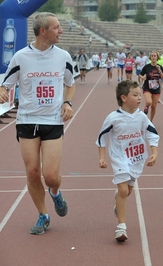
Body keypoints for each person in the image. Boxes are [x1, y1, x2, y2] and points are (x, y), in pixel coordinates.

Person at [0, 12, 75, 235]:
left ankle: (55, 193)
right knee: (33, 172)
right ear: (43, 31)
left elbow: (70, 83)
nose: (60, 30)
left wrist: (68, 102)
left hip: (53, 120)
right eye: (57, 27)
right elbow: (6, 83)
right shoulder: (21, 57)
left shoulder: (63, 56)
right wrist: (2, 91)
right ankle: (43, 214)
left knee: (51, 176)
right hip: (27, 120)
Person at [96, 80, 159, 242]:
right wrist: (102, 158)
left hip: (136, 158)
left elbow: (152, 133)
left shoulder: (142, 117)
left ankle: (119, 200)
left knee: (127, 192)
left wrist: (154, 152)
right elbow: (102, 137)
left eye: (140, 95)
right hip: (119, 158)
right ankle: (121, 227)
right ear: (124, 98)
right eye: (135, 95)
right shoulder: (113, 118)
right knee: (124, 191)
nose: (140, 98)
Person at [139, 50, 163, 121]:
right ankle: (147, 107)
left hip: (156, 88)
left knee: (154, 106)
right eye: (152, 56)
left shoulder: (160, 67)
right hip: (147, 87)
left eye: (155, 56)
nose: (153, 57)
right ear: (150, 57)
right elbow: (140, 74)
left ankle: (150, 121)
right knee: (149, 102)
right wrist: (142, 77)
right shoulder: (147, 67)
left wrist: (160, 71)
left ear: (157, 57)